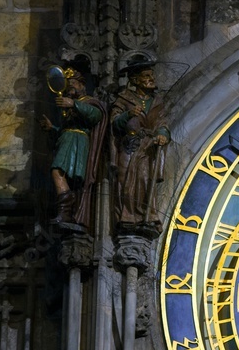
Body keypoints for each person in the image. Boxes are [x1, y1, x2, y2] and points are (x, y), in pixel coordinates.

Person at [40, 68, 107, 229]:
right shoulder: (70, 108)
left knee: (57, 171)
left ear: (82, 85)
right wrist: (52, 128)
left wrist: (74, 104)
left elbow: (96, 116)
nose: (70, 89)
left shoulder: (89, 101)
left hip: (77, 142)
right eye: (68, 86)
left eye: (73, 85)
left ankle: (66, 210)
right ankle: (68, 212)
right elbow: (66, 129)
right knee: (64, 176)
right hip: (68, 140)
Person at [111, 62, 170, 229]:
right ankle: (127, 215)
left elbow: (163, 123)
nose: (152, 79)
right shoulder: (124, 99)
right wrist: (128, 115)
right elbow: (114, 122)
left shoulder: (157, 102)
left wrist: (162, 135)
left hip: (148, 145)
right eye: (147, 76)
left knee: (145, 179)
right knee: (124, 178)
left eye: (152, 75)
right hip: (130, 143)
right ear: (135, 80)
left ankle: (146, 215)